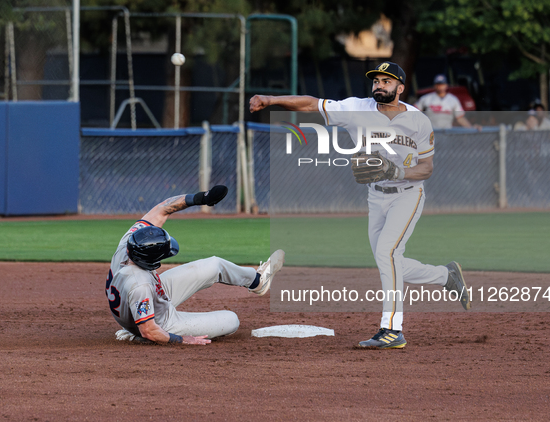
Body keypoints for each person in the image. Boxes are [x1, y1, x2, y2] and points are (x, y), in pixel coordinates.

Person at [249, 61, 470, 350]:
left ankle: (392, 329)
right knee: (389, 261)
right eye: (376, 80)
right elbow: (311, 105)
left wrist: (397, 172)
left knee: (386, 252)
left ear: (400, 88)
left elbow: (426, 168)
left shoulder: (419, 120)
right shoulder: (357, 108)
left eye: (386, 81)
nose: (379, 85)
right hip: (375, 196)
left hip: (408, 194)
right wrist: (271, 100)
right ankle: (446, 276)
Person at [106, 185, 285, 346]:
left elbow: (162, 209)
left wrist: (201, 198)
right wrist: (182, 339)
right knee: (231, 320)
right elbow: (149, 330)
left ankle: (257, 281)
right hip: (159, 322)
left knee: (215, 265)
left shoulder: (128, 244)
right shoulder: (140, 283)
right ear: (150, 261)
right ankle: (135, 331)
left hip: (141, 297)